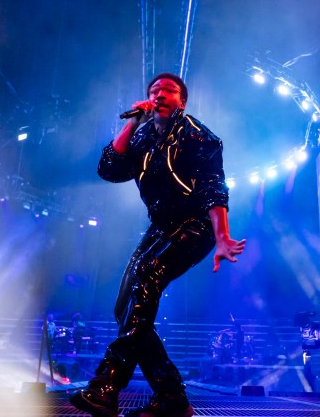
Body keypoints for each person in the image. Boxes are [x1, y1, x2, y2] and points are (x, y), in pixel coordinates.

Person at [70, 73, 245, 417]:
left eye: (168, 90)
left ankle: (106, 385)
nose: (160, 94)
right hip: (160, 228)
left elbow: (214, 187)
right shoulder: (142, 136)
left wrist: (222, 235)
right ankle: (172, 400)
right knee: (125, 308)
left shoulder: (199, 135)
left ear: (182, 100)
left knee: (148, 275)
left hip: (196, 225)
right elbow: (109, 169)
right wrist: (132, 124)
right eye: (154, 90)